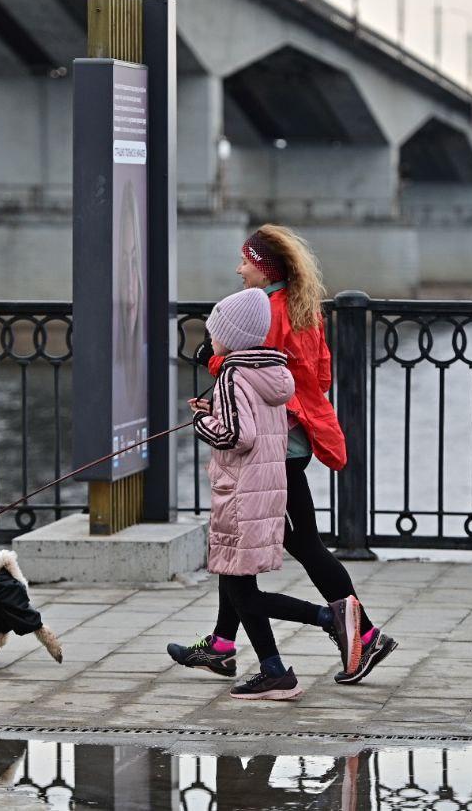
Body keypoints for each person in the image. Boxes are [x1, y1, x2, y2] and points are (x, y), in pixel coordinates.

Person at [169, 225, 397, 685]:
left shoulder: (270, 310)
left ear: (264, 267)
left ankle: (363, 632)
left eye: (246, 261)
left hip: (275, 453)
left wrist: (210, 360)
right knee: (235, 541)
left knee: (301, 545)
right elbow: (321, 373)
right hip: (295, 439)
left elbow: (249, 364)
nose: (239, 269)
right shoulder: (304, 306)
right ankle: (222, 643)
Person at [186, 287, 363, 701]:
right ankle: (268, 665)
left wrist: (202, 425)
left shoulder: (231, 373)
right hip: (266, 490)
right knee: (236, 583)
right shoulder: (271, 371)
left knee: (239, 586)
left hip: (239, 493)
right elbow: (256, 423)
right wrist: (214, 410)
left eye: (215, 333)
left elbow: (236, 434)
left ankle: (324, 621)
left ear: (230, 336)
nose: (211, 340)